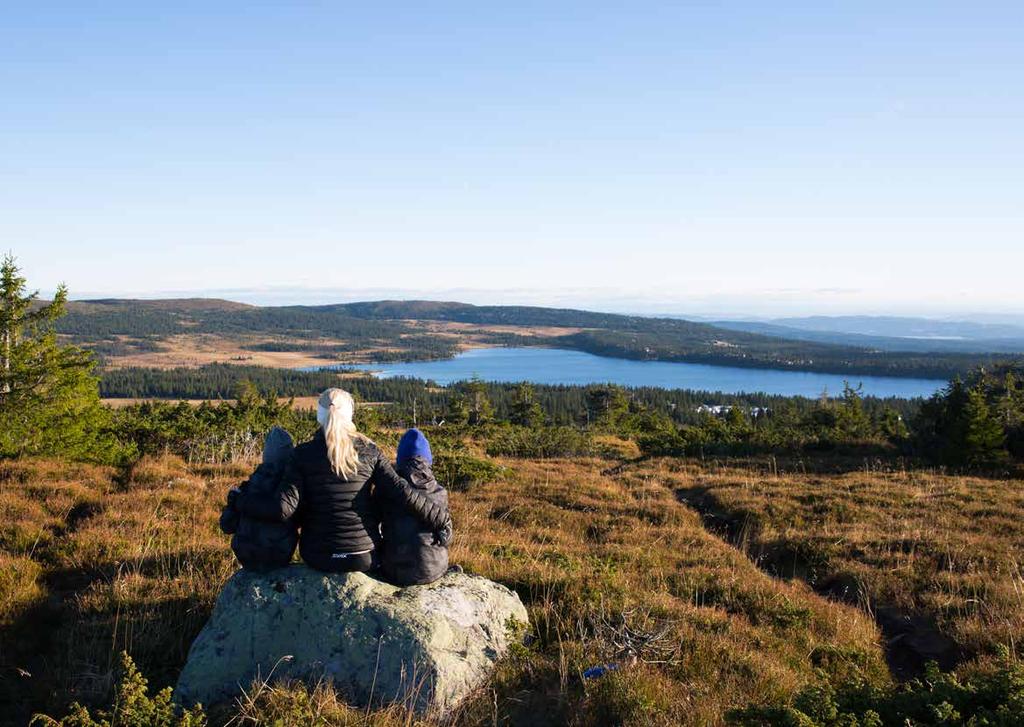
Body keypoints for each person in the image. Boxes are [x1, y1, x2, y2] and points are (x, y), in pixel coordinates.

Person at [234, 388, 450, 573]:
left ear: (319, 416)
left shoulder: (302, 455)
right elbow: (402, 493)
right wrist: (441, 521)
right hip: (364, 556)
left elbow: (283, 508)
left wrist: (239, 500)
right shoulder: (370, 452)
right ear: (350, 415)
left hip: (318, 555)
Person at [219, 426, 298, 572]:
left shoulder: (248, 486)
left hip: (245, 555)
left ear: (266, 454)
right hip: (279, 555)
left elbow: (226, 526)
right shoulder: (292, 487)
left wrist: (233, 503)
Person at [379, 428, 451, 586]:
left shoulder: (387, 490)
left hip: (394, 569)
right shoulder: (440, 492)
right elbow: (446, 537)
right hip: (432, 570)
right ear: (428, 460)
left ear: (400, 459)